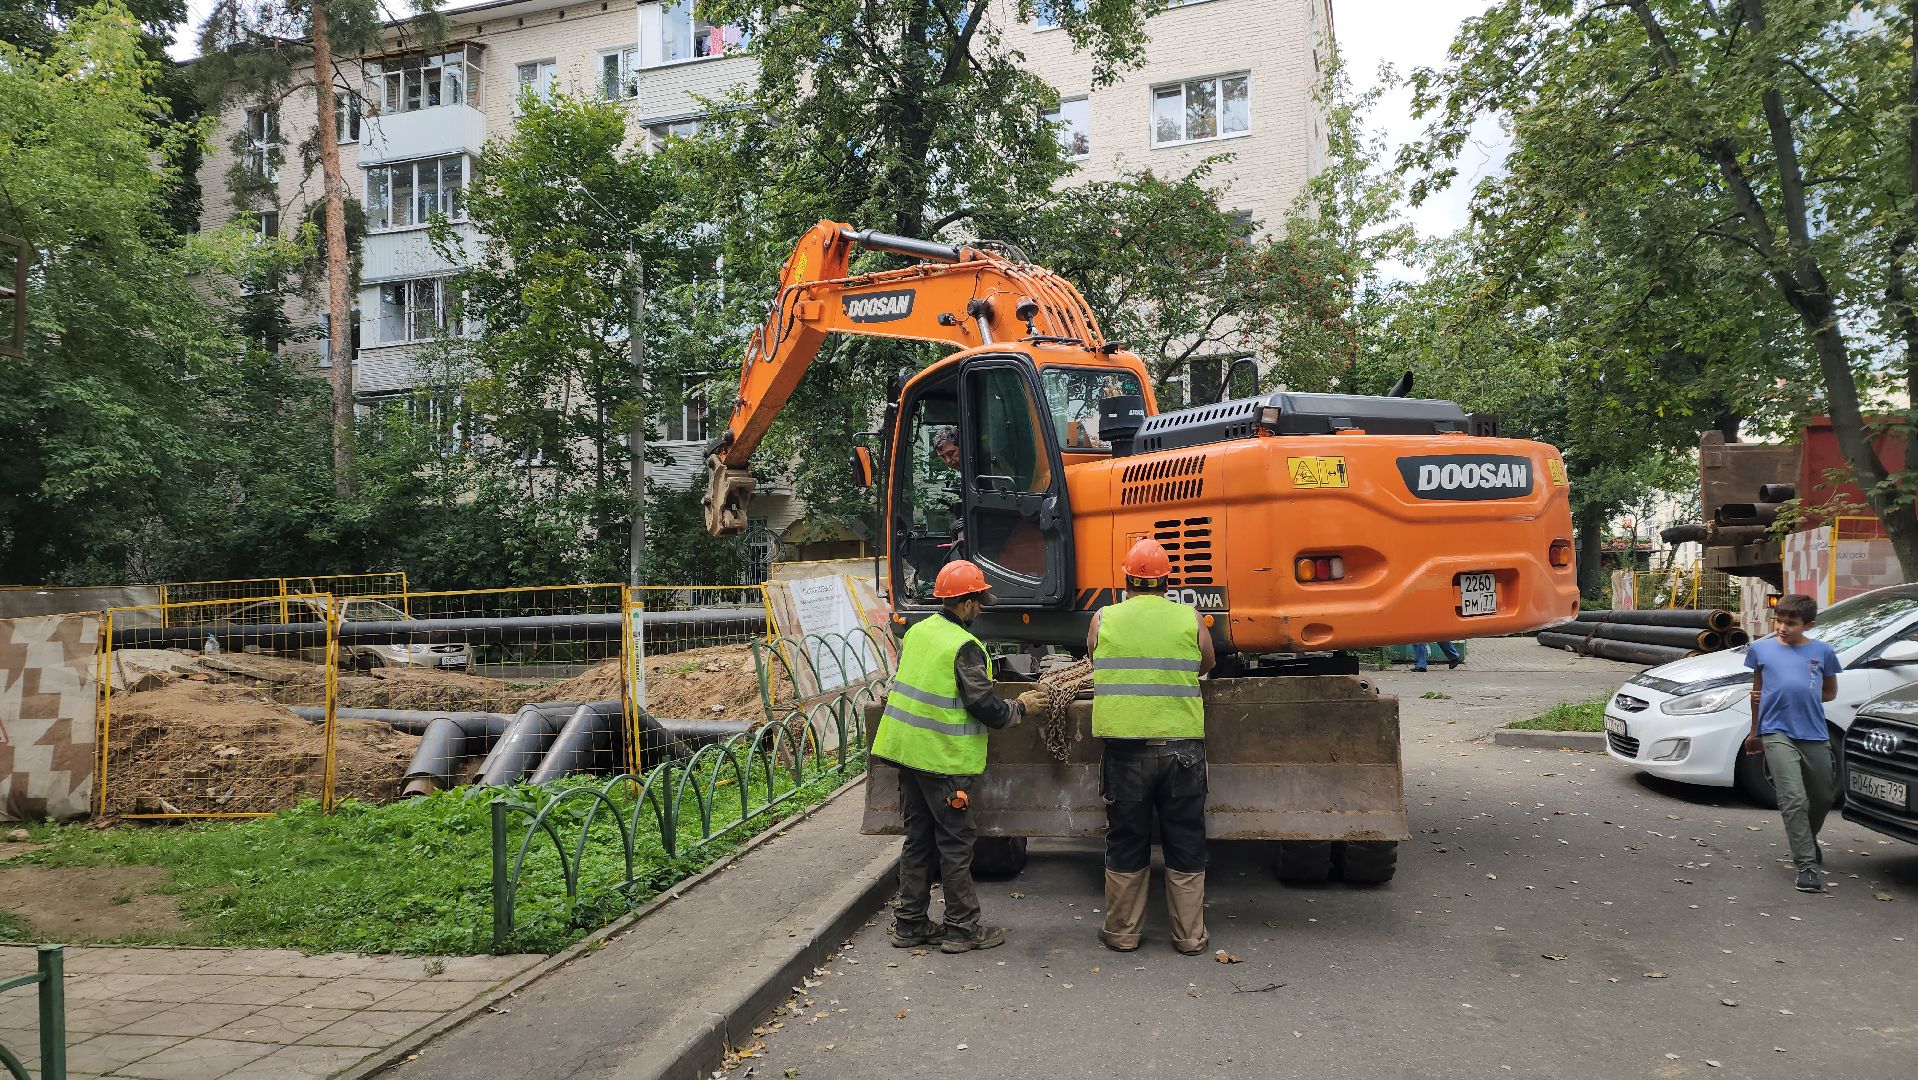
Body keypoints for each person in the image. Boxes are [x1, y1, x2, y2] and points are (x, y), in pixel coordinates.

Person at [874, 559, 1026, 953]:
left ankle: (910, 925)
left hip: (907, 755)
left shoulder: (919, 631)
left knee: (918, 841)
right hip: (942, 761)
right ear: (967, 602)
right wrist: (1021, 708)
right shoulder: (964, 647)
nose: (982, 609)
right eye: (980, 602)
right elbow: (985, 706)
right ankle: (962, 929)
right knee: (955, 844)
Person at [1086, 538, 1216, 954]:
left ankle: (1122, 933)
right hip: (1182, 751)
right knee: (1186, 839)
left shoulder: (1103, 618)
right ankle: (1190, 937)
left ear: (1126, 580)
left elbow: (1094, 658)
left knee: (1126, 839)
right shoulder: (1189, 618)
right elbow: (1207, 662)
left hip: (1126, 751)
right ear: (1166, 582)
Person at [1742, 593, 1841, 893]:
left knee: (1823, 795)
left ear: (1808, 625)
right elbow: (1757, 694)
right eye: (1779, 621)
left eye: (1791, 623)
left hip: (1813, 731)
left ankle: (1806, 839)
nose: (1782, 627)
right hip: (1776, 731)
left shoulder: (1823, 652)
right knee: (1793, 798)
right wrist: (1754, 732)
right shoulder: (1761, 650)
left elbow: (1829, 693)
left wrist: (1801, 693)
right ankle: (1806, 864)